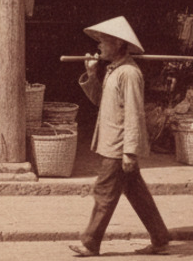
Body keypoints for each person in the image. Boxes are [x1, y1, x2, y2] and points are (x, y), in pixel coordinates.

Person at [70, 15, 171, 258]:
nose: (99, 46)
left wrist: (130, 151)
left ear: (118, 44)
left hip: (118, 147)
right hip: (112, 143)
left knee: (104, 193)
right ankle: (160, 238)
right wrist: (92, 74)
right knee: (138, 195)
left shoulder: (129, 73)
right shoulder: (113, 71)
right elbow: (99, 101)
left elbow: (135, 113)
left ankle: (90, 243)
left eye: (104, 41)